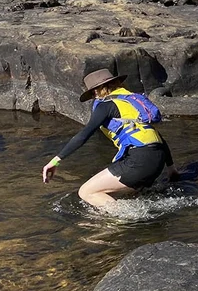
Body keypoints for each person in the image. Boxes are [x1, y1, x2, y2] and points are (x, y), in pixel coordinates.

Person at [42, 69, 175, 207]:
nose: (94, 97)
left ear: (99, 90)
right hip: (158, 158)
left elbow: (84, 135)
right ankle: (118, 223)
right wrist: (172, 169)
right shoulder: (131, 102)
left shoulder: (106, 106)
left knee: (87, 192)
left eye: (93, 93)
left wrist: (55, 161)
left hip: (139, 160)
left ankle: (126, 220)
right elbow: (156, 137)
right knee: (113, 194)